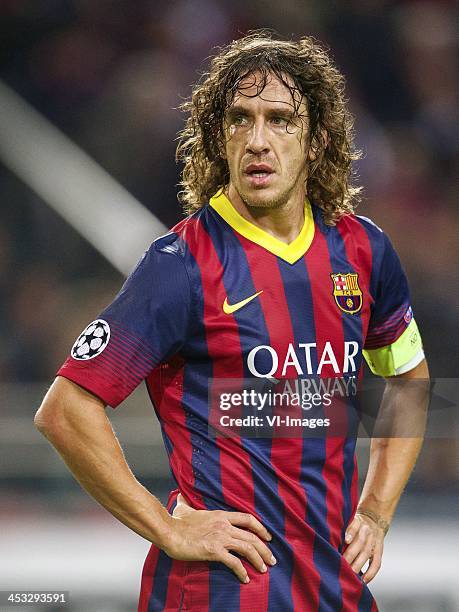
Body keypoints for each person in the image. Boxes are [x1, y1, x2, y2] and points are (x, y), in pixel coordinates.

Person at [35, 31, 429, 611]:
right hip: (221, 590)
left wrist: (375, 510)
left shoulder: (363, 252)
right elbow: (65, 410)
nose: (258, 140)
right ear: (219, 137)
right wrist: (165, 528)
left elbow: (408, 379)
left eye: (280, 120)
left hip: (334, 589)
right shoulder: (181, 266)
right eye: (240, 119)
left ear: (318, 140)